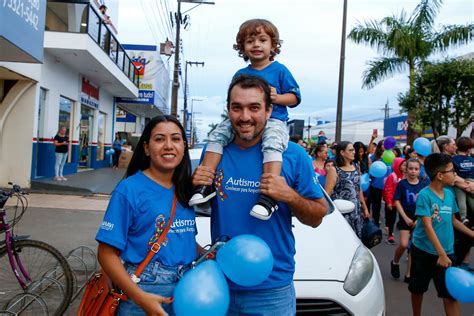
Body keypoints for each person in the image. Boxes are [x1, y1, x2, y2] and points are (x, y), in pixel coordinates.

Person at [192, 75, 327, 315]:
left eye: (254, 108)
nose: (245, 117)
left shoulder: (293, 155)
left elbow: (317, 216)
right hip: (219, 284)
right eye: (237, 108)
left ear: (268, 110)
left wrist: (289, 195)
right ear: (228, 110)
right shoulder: (213, 153)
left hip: (272, 291)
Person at [190, 19, 301, 222]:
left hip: (274, 120)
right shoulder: (241, 74)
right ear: (242, 47)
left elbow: (295, 98)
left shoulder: (280, 70)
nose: (256, 45)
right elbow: (235, 100)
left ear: (273, 45)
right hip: (242, 124)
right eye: (250, 41)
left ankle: (268, 195)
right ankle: (205, 184)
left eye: (262, 40)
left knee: (273, 145)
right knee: (216, 135)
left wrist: (276, 98)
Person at [96, 115, 199, 315]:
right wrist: (140, 298)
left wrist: (210, 253)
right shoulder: (129, 189)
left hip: (188, 292)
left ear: (184, 146)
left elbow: (182, 239)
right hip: (144, 292)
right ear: (146, 147)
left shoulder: (185, 189)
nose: (169, 146)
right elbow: (106, 254)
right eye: (160, 139)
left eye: (176, 139)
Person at [409, 153, 474, 316]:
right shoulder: (425, 195)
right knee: (418, 289)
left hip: (446, 251)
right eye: (452, 171)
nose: (455, 175)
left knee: (450, 295)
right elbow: (427, 226)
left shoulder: (450, 194)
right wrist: (442, 255)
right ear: (439, 175)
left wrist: (472, 234)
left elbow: (453, 220)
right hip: (423, 251)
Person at [390, 158, 428, 282]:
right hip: (405, 218)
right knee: (404, 244)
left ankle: (409, 274)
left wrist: (419, 219)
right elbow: (397, 200)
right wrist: (405, 218)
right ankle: (395, 261)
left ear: (419, 170)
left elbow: (426, 202)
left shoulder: (423, 184)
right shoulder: (402, 184)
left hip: (419, 218)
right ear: (406, 170)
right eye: (410, 169)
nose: (413, 171)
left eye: (416, 169)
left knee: (413, 247)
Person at [325, 141, 370, 238]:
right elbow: (327, 193)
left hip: (356, 211)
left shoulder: (356, 166)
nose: (354, 152)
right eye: (350, 150)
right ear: (342, 152)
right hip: (342, 212)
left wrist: (365, 207)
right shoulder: (334, 170)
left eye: (353, 150)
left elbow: (359, 189)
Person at [451, 136, 474, 271]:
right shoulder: (471, 159)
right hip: (466, 184)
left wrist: (465, 185)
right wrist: (470, 185)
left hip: (461, 185)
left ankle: (464, 217)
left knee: (462, 202)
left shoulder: (454, 159)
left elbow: (453, 175)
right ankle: (459, 262)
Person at [383, 157, 405, 244]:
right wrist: (388, 202)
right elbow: (388, 189)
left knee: (402, 218)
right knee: (391, 218)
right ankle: (390, 234)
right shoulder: (392, 176)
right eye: (403, 165)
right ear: (398, 165)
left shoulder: (404, 176)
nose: (405, 167)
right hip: (392, 202)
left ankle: (404, 234)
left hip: (401, 202)